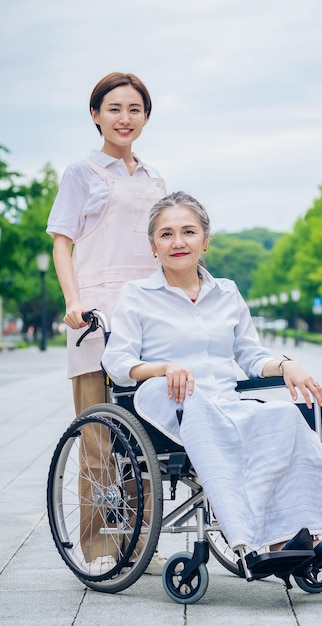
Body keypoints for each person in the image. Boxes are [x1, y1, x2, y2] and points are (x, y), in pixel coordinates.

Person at [102, 191, 322, 571]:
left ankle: (303, 533)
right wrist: (163, 367)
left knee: (285, 416)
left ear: (205, 240)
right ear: (153, 246)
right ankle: (252, 542)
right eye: (166, 234)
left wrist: (286, 365)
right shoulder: (138, 295)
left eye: (188, 231)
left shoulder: (227, 292)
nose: (178, 242)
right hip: (168, 399)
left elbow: (249, 354)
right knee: (204, 413)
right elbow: (117, 362)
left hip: (223, 401)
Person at [46, 72, 167, 575]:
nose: (124, 118)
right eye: (114, 108)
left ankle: (139, 541)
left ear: (145, 116)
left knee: (147, 436)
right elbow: (62, 242)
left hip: (146, 313)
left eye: (134, 109)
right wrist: (73, 302)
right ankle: (99, 547)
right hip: (95, 315)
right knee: (99, 436)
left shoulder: (155, 179)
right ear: (96, 115)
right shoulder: (82, 173)